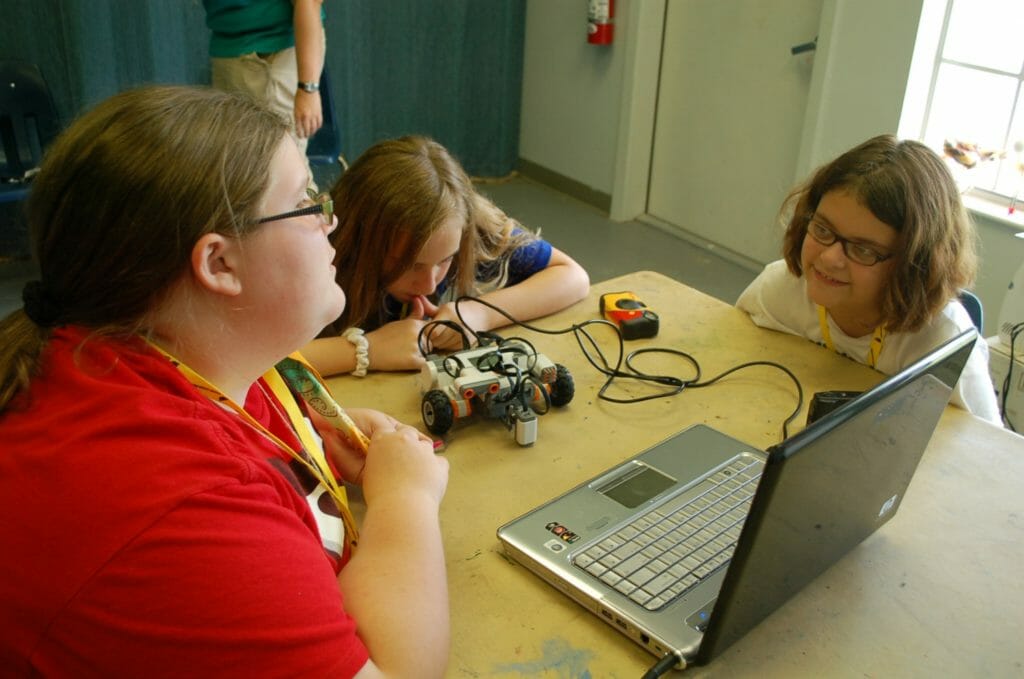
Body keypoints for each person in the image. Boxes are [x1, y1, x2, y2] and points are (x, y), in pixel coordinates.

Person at [0, 86, 450, 677]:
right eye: (306, 203)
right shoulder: (175, 502)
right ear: (219, 264)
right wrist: (405, 499)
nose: (331, 221)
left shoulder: (169, 350)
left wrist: (307, 457)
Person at [736, 134, 1001, 425]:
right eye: (823, 230)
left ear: (914, 264)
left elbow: (989, 455)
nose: (828, 259)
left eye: (862, 250)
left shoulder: (944, 341)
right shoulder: (779, 290)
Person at [301, 135, 591, 376]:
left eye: (445, 260)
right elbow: (263, 367)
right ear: (361, 237)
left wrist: (477, 314)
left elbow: (573, 277)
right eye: (411, 265)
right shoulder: (316, 245)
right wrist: (366, 351)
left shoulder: (467, 223)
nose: (429, 285)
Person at [203, 0, 326, 187]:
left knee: (284, 174)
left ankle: (316, 215)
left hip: (274, 53)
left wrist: (307, 88)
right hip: (229, 47)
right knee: (246, 171)